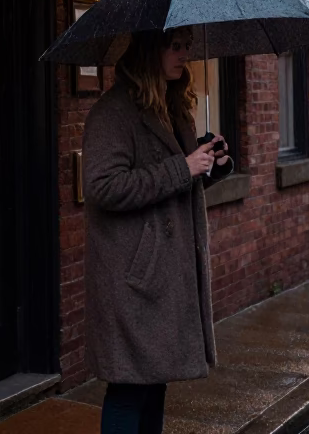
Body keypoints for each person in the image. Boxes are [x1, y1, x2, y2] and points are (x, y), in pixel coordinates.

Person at [82, 27, 233, 434]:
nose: (184, 55)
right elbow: (102, 187)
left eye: (187, 46)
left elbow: (176, 183)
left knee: (155, 383)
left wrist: (209, 165)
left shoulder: (174, 107)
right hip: (134, 275)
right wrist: (182, 167)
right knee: (130, 387)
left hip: (167, 273)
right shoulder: (113, 113)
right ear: (150, 50)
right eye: (175, 46)